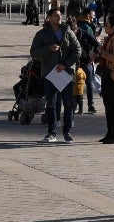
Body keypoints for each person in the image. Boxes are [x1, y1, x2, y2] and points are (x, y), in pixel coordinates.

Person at [31, 7, 81, 143]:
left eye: (60, 15)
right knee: (51, 104)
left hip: (65, 73)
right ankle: (51, 132)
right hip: (50, 74)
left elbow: (77, 50)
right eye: (56, 15)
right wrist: (48, 49)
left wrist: (65, 64)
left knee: (68, 104)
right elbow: (33, 52)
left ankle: (67, 132)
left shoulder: (67, 31)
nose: (59, 17)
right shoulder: (42, 34)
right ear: (49, 18)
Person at [97, 14, 114, 144]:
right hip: (106, 74)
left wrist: (101, 52)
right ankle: (110, 133)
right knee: (107, 105)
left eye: (107, 25)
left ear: (113, 27)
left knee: (112, 105)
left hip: (113, 75)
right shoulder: (110, 38)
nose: (105, 27)